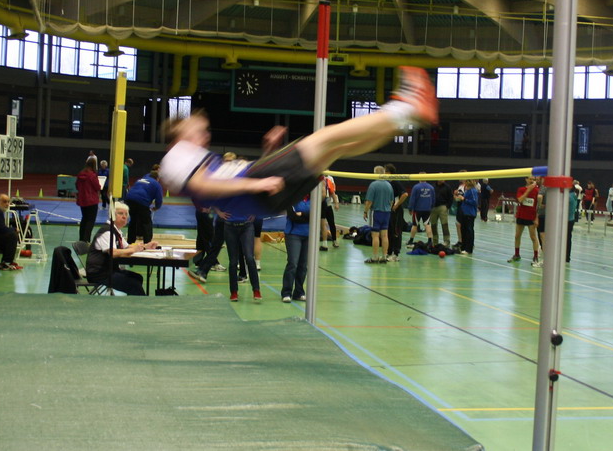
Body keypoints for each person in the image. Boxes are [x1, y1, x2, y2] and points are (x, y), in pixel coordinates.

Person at [158, 65, 436, 221]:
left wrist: (268, 154)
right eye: (197, 130)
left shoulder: (190, 158)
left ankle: (403, 119)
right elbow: (203, 186)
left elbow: (217, 185)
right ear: (178, 134)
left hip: (262, 193)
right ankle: (404, 109)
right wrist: (255, 183)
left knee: (337, 148)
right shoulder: (177, 155)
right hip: (257, 185)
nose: (204, 135)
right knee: (324, 138)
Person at [85, 202, 158, 296]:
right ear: (112, 215)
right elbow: (113, 252)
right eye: (120, 213)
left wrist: (146, 246)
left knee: (137, 277)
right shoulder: (107, 232)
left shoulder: (116, 231)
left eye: (126, 214)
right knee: (134, 285)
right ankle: (140, 304)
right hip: (99, 274)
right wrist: (133, 250)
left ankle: (133, 303)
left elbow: (128, 247)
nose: (124, 216)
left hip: (110, 270)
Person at [282, 196, 310, 303]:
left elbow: (317, 215)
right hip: (293, 234)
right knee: (293, 263)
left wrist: (302, 214)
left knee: (303, 265)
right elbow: (293, 216)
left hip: (308, 235)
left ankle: (299, 292)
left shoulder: (313, 199)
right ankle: (286, 292)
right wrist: (307, 216)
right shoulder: (292, 198)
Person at [508, 176, 541, 267]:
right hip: (521, 215)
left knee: (533, 237)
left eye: (533, 179)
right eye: (530, 179)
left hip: (531, 217)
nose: (532, 181)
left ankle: (535, 256)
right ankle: (517, 255)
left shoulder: (537, 191)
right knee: (517, 236)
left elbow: (538, 205)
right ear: (526, 179)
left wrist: (536, 218)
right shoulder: (521, 189)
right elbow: (520, 200)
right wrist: (528, 190)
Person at [125, 165, 163, 244]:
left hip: (129, 199)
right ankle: (147, 243)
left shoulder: (140, 180)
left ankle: (130, 242)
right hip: (142, 201)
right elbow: (159, 199)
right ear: (157, 178)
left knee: (133, 221)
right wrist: (157, 207)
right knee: (146, 222)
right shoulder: (156, 184)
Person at [363, 166, 394, 264]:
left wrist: (365, 211)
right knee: (385, 235)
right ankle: (384, 256)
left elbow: (369, 201)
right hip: (386, 213)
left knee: (375, 235)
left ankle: (375, 257)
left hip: (376, 212)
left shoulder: (373, 185)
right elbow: (392, 201)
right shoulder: (389, 185)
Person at [385, 163, 408, 262]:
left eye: (385, 171)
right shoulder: (387, 183)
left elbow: (405, 194)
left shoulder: (396, 182)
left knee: (396, 231)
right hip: (389, 211)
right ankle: (389, 252)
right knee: (389, 231)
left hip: (397, 211)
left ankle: (396, 254)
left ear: (389, 172)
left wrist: (396, 205)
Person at [75, 159, 101, 243]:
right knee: (90, 221)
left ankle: (81, 239)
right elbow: (97, 187)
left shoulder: (80, 174)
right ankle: (86, 240)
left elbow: (77, 186)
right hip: (92, 200)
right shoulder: (92, 175)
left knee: (84, 219)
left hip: (82, 200)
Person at [406, 175, 434, 248]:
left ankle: (411, 240)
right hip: (427, 209)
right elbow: (433, 199)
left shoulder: (416, 187)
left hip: (417, 210)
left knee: (414, 225)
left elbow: (412, 199)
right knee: (427, 225)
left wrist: (410, 208)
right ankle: (430, 241)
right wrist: (431, 207)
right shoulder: (431, 187)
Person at [430, 179, 452, 247]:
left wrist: (447, 207)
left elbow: (450, 197)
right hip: (433, 208)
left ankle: (446, 241)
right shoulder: (432, 186)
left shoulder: (447, 187)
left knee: (444, 225)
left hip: (443, 207)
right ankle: (435, 241)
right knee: (433, 225)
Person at [320, 174, 340, 250]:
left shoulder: (327, 180)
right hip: (324, 204)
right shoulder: (324, 180)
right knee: (325, 224)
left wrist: (336, 203)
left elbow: (332, 193)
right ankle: (326, 243)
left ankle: (331, 241)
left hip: (325, 204)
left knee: (328, 224)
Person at [459, 179, 478, 255]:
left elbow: (474, 202)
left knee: (469, 231)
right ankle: (463, 247)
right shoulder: (467, 190)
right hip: (465, 213)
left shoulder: (473, 191)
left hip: (470, 213)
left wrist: (464, 199)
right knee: (463, 230)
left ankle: (469, 249)